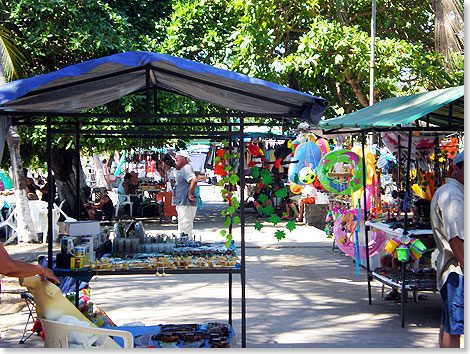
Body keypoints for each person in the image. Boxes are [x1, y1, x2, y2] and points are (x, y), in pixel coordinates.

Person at [430, 150, 464, 348]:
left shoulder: (451, 193)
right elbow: (455, 238)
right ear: (456, 169)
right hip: (457, 271)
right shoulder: (453, 196)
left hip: (451, 270)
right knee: (455, 327)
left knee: (450, 323)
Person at [172, 150, 198, 237]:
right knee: (183, 226)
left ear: (185, 158)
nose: (176, 158)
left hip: (186, 203)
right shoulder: (183, 168)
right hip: (183, 203)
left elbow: (194, 180)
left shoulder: (186, 167)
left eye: (178, 157)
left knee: (185, 228)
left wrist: (189, 194)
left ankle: (186, 247)